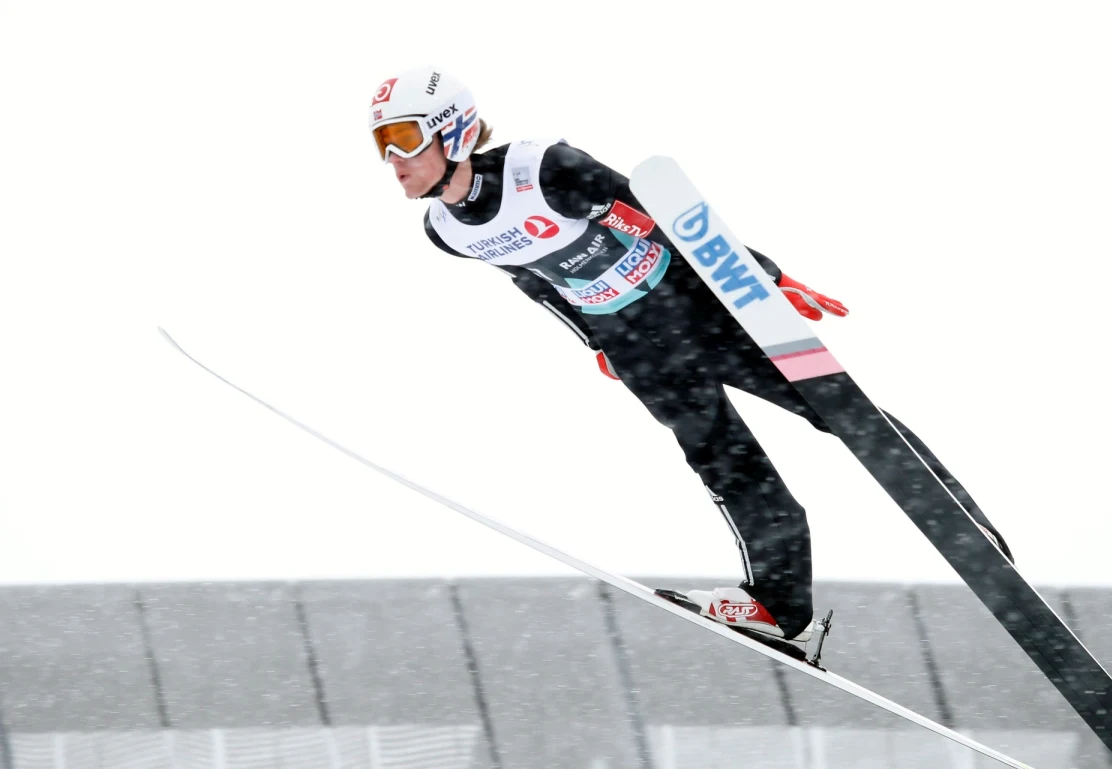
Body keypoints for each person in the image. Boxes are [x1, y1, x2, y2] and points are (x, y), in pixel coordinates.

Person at [368, 66, 1013, 646]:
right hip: (633, 343)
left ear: (449, 131)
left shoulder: (544, 170)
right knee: (725, 462)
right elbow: (535, 280)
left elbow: (664, 217)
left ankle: (963, 523)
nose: (392, 159)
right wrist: (596, 342)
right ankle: (780, 609)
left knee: (836, 409)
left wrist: (761, 277)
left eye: (403, 138)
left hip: (695, 307)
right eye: (379, 144)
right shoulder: (445, 232)